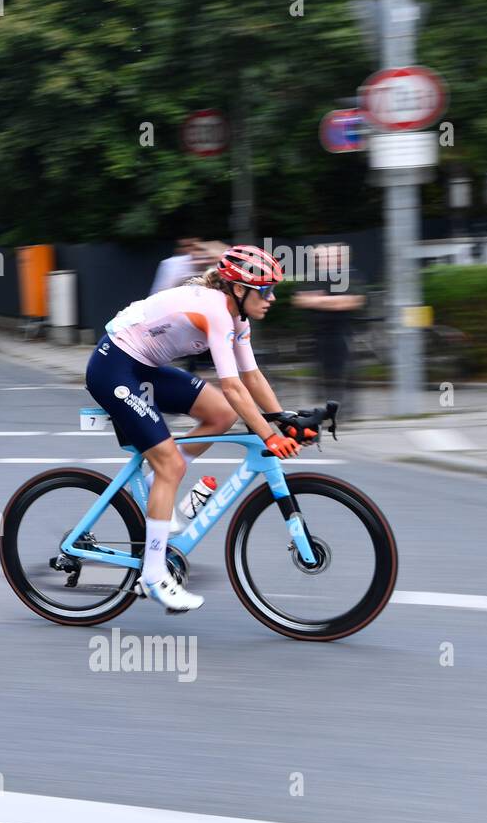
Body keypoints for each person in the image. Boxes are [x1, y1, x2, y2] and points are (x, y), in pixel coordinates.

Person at [85, 245, 308, 613]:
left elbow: (251, 377)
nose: (272, 298)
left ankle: (163, 483)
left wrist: (285, 420)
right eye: (266, 290)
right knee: (170, 463)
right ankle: (154, 577)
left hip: (144, 367)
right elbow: (234, 386)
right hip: (114, 368)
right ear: (239, 290)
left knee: (221, 414)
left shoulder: (239, 319)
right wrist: (269, 436)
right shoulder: (217, 312)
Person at [292, 243, 365, 416]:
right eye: (318, 258)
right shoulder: (312, 278)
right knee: (322, 375)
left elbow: (352, 301)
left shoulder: (349, 276)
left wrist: (317, 300)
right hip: (318, 335)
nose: (320, 261)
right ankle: (329, 410)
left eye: (325, 257)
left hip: (342, 333)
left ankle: (344, 411)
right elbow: (299, 300)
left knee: (342, 373)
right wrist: (332, 301)